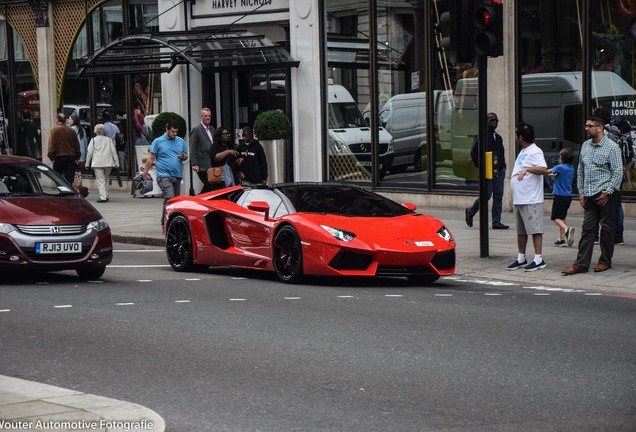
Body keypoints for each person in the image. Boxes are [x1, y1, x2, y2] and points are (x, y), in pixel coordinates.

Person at [561, 116, 623, 275]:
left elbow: (618, 172)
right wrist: (581, 192)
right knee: (588, 229)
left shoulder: (612, 147)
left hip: (606, 195)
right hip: (589, 194)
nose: (586, 128)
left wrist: (607, 191)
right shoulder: (585, 145)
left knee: (607, 229)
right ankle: (581, 263)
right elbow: (581, 170)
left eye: (590, 126)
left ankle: (605, 261)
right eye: (585, 125)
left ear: (600, 127)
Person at [506, 122, 548, 272]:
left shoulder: (535, 151)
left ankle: (538, 259)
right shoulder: (524, 151)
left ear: (520, 137)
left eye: (517, 136)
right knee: (521, 231)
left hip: (531, 199)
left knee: (535, 229)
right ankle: (521, 257)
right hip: (520, 198)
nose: (516, 138)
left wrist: (527, 169)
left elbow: (543, 169)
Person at [465, 112, 509, 229]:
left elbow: (501, 153)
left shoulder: (498, 138)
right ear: (486, 121)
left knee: (498, 196)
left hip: (499, 170)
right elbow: (474, 153)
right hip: (487, 170)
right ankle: (470, 211)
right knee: (487, 195)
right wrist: (481, 167)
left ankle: (496, 221)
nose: (494, 123)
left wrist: (503, 166)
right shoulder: (481, 136)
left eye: (496, 121)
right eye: (492, 120)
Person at [142, 120, 188, 226]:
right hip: (163, 175)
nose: (174, 134)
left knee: (175, 201)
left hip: (177, 175)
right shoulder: (158, 141)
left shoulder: (180, 141)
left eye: (176, 132)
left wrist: (184, 156)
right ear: (167, 130)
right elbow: (150, 158)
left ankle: (168, 221)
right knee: (170, 198)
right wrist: (145, 173)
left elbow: (186, 155)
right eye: (172, 131)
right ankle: (167, 223)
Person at [547, 147, 575, 247]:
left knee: (555, 217)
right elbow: (560, 175)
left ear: (562, 158)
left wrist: (540, 172)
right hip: (568, 196)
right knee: (562, 217)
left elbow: (547, 171)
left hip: (559, 196)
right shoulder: (571, 168)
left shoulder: (559, 167)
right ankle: (561, 239)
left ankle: (567, 229)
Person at [85, 124, 119, 203]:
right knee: (106, 179)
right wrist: (116, 163)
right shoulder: (108, 140)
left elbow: (89, 153)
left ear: (95, 131)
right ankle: (106, 195)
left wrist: (87, 163)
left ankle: (103, 197)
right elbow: (113, 152)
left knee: (100, 180)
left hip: (98, 163)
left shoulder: (93, 140)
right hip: (108, 162)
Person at [47, 113, 80, 184]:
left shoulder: (54, 130)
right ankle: (68, 192)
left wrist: (51, 156)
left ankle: (62, 191)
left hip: (59, 157)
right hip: (71, 156)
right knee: (69, 178)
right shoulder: (71, 130)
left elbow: (51, 145)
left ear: (57, 120)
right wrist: (77, 156)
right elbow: (76, 145)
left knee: (58, 178)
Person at [189, 108, 216, 193]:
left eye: (209, 116)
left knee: (211, 184)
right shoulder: (196, 130)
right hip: (202, 164)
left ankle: (202, 199)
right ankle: (200, 199)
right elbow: (192, 147)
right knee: (208, 184)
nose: (208, 118)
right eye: (206, 116)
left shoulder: (212, 129)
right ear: (201, 117)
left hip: (212, 163)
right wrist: (194, 163)